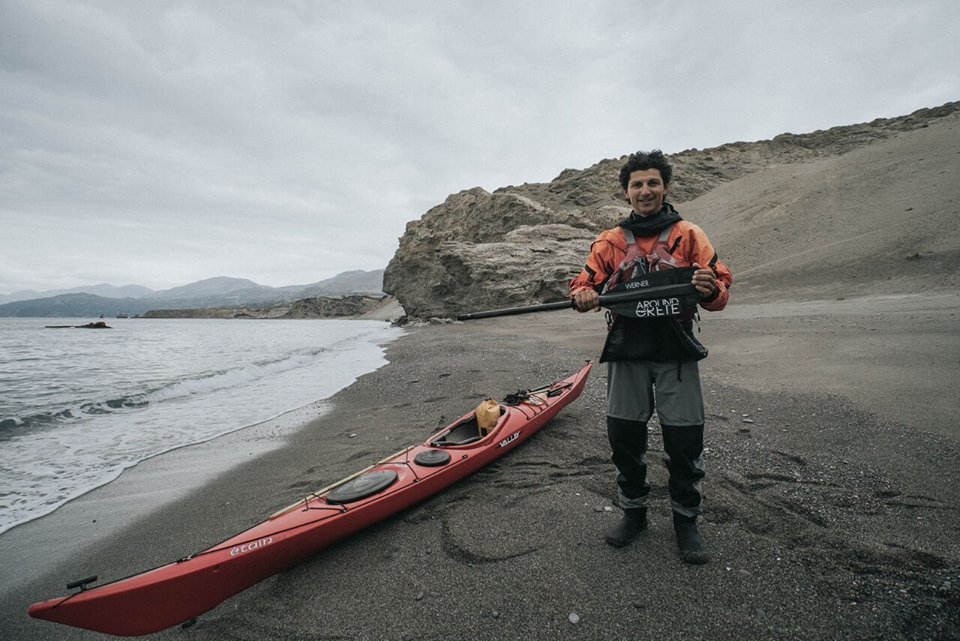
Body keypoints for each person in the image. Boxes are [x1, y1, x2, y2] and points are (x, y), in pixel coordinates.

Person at [569, 149, 733, 564]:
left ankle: (686, 521)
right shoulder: (610, 242)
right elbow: (583, 283)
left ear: (665, 187)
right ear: (627, 191)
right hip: (627, 351)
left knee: (684, 440)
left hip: (676, 350)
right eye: (637, 184)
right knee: (625, 439)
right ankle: (634, 513)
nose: (646, 190)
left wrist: (709, 287)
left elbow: (720, 288)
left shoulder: (689, 236)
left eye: (653, 183)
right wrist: (583, 296)